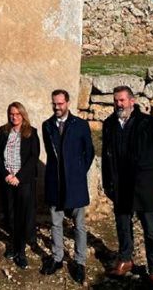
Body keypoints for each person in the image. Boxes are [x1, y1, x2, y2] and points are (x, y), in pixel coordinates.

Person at [102, 86, 153, 289]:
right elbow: (107, 158)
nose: (118, 104)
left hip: (146, 186)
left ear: (132, 101)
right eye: (116, 100)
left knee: (150, 230)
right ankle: (125, 259)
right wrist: (108, 183)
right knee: (123, 226)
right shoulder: (109, 124)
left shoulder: (149, 123)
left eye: (122, 100)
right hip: (120, 186)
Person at [40, 89, 94, 284]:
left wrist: (77, 173)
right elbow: (50, 152)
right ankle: (57, 258)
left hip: (76, 184)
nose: (57, 107)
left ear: (68, 103)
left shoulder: (80, 125)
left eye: (60, 104)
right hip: (55, 183)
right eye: (54, 103)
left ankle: (79, 262)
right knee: (56, 223)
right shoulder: (47, 126)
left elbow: (89, 152)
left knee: (79, 225)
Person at [0, 101, 39, 269]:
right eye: (12, 114)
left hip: (22, 181)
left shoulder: (31, 132)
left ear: (23, 115)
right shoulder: (3, 131)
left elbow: (33, 157)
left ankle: (21, 251)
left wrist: (18, 177)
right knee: (10, 215)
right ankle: (12, 244)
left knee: (22, 217)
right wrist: (6, 175)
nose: (14, 117)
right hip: (7, 180)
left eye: (17, 114)